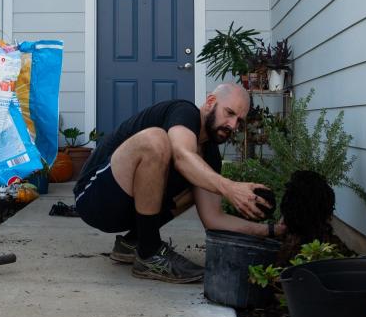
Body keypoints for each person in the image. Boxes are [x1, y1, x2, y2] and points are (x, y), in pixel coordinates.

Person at [73, 84, 285, 283]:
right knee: (156, 140)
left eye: (239, 121)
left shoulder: (210, 155)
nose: (233, 125)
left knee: (203, 177)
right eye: (229, 113)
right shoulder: (184, 112)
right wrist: (230, 187)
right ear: (210, 102)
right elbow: (182, 156)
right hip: (94, 197)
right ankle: (149, 254)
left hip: (123, 211)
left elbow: (214, 218)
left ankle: (134, 242)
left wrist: (272, 230)